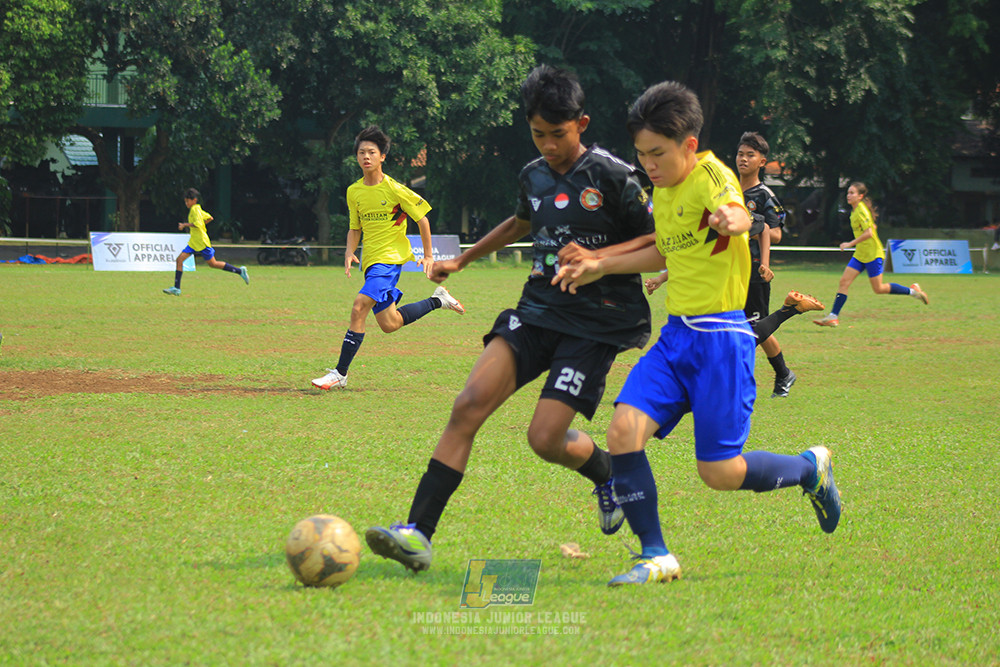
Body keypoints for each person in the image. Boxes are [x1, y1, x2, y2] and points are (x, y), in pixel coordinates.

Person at [364, 65, 656, 572]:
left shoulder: (613, 175)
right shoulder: (533, 175)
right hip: (538, 309)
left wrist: (599, 262)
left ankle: (605, 472)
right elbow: (521, 222)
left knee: (544, 439)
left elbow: (660, 242)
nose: (548, 145)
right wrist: (464, 258)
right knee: (468, 404)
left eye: (558, 134)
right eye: (538, 134)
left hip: (595, 323)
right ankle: (417, 534)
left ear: (581, 123)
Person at [553, 81, 841, 586]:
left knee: (720, 473)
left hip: (721, 341)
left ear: (688, 144)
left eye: (658, 153)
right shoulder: (662, 191)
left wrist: (735, 218)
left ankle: (809, 469)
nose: (649, 165)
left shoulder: (711, 173)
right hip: (676, 337)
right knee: (622, 432)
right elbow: (665, 250)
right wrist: (601, 265)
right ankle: (656, 555)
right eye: (641, 154)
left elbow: (736, 208)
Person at [645, 132, 824, 397]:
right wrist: (663, 275)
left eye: (750, 155)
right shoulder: (725, 190)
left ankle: (765, 368)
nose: (743, 159)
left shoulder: (764, 195)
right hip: (722, 269)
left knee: (748, 330)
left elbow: (774, 233)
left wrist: (749, 225)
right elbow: (699, 243)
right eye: (741, 154)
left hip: (751, 271)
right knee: (746, 328)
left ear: (762, 161)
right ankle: (783, 373)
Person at [311, 125, 465, 390]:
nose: (366, 157)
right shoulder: (354, 191)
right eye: (361, 152)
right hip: (371, 263)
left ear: (382, 156)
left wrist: (428, 255)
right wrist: (349, 251)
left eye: (372, 152)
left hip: (390, 261)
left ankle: (340, 373)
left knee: (359, 306)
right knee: (390, 323)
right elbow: (354, 227)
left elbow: (423, 220)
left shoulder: (395, 189)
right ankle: (438, 301)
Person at [814, 182, 928, 327]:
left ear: (860, 196)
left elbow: (868, 233)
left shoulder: (860, 210)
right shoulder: (856, 211)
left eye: (852, 193)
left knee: (878, 289)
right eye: (848, 192)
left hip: (873, 254)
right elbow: (871, 227)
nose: (848, 195)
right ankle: (833, 316)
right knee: (844, 282)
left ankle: (914, 291)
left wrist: (850, 243)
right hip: (860, 254)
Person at [162, 188, 249, 296]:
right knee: (179, 260)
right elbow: (210, 218)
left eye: (187, 201)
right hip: (194, 241)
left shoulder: (195, 209)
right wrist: (201, 226)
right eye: (185, 201)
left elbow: (198, 223)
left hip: (201, 242)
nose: (186, 203)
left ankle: (240, 271)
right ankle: (176, 288)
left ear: (194, 200)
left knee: (213, 264)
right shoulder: (197, 209)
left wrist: (185, 225)